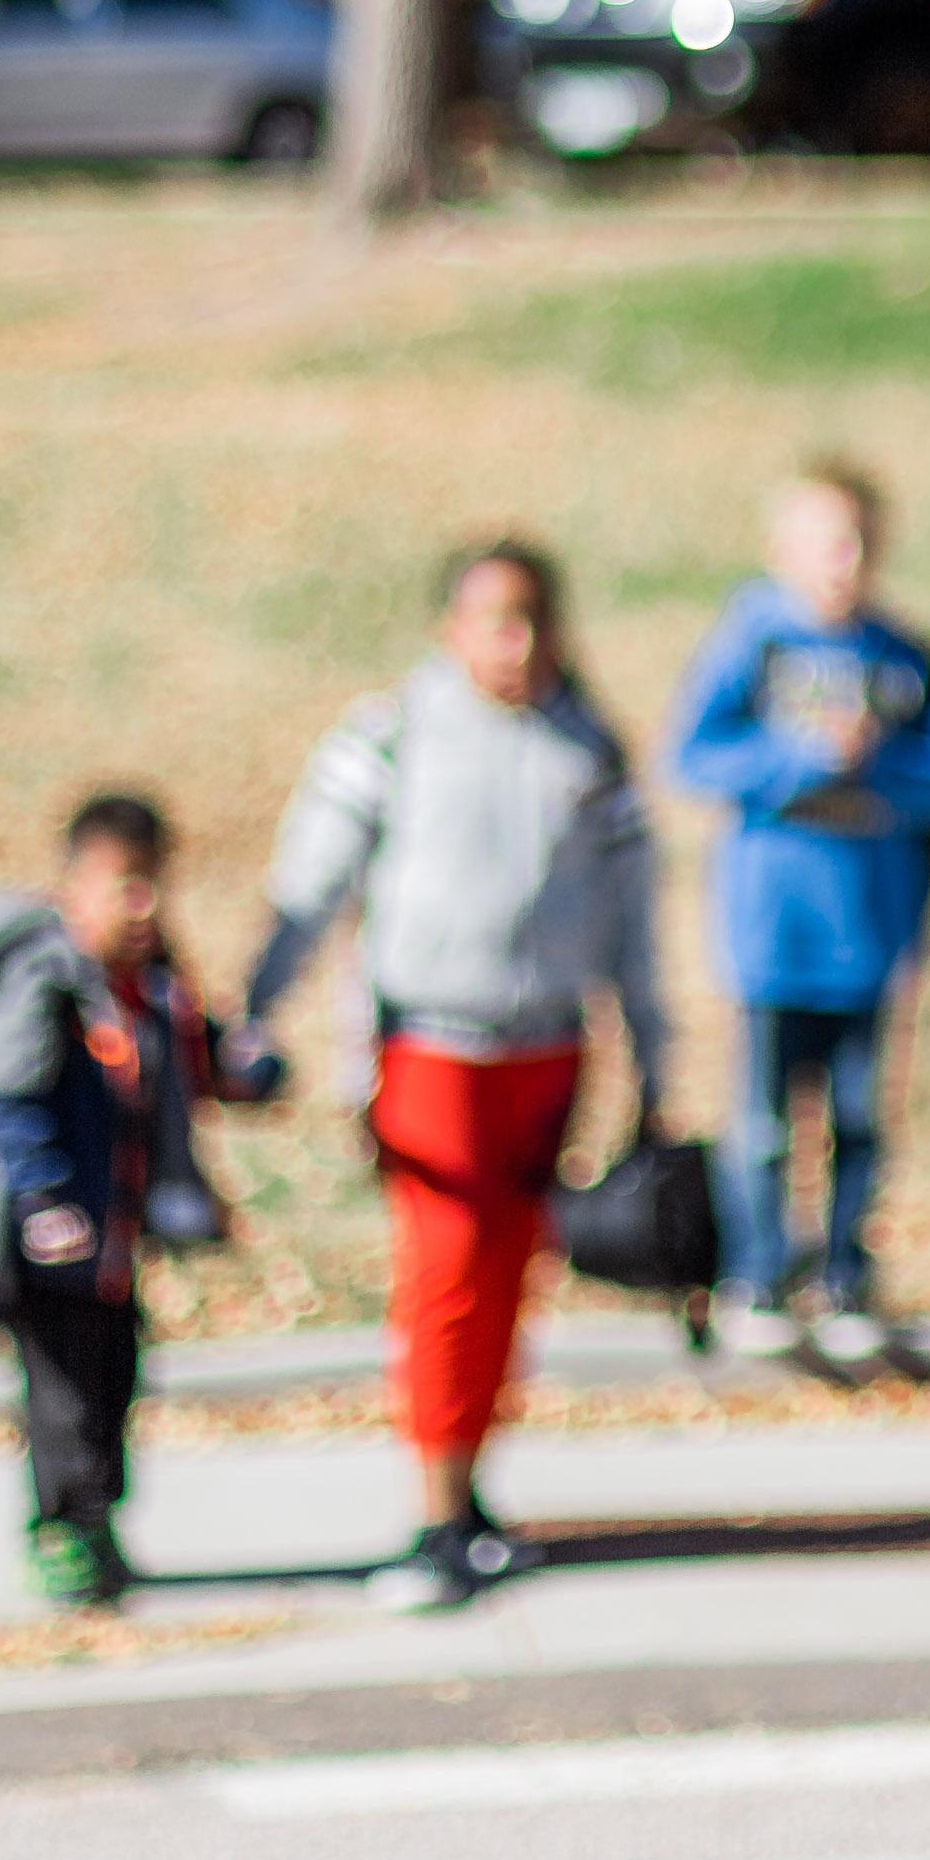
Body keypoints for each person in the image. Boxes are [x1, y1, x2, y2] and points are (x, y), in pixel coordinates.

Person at [246, 541, 669, 1614]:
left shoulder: (586, 747)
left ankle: (470, 1487)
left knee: (508, 1274)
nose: (516, 644)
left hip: (547, 1044)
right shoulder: (393, 734)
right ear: (452, 625)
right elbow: (312, 879)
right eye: (494, 619)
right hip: (431, 1046)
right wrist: (256, 1012)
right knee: (444, 1270)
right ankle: (432, 1512)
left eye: (533, 618)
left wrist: (658, 1063)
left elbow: (634, 926)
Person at [0, 791, 280, 1609]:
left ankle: (98, 1524)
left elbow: (196, 1063)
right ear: (74, 883)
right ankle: (61, 1531)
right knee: (62, 1392)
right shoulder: (43, 979)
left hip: (113, 1235)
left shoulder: (148, 985)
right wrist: (43, 1197)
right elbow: (3, 1098)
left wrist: (255, 1069)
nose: (142, 906)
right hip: (43, 1237)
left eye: (154, 884)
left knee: (116, 1375)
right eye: (122, 884)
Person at [669, 461, 930, 1370]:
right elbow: (692, 756)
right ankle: (756, 1278)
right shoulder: (751, 645)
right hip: (770, 938)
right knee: (760, 1124)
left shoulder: (903, 658)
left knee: (859, 1123)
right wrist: (802, 758)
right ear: (780, 546)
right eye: (824, 538)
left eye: (860, 540)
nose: (843, 559)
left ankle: (844, 1276)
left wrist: (876, 766)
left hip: (870, 936)